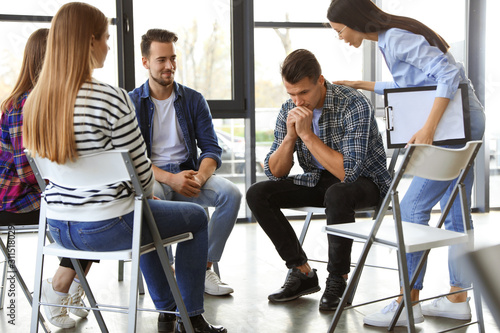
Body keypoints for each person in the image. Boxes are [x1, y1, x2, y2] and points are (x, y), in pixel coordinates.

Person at [22, 3, 226, 333]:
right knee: (193, 217)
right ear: (89, 42)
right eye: (105, 37)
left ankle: (169, 310)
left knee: (146, 215)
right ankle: (190, 318)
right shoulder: (111, 98)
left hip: (58, 227)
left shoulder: (36, 101)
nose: (107, 45)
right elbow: (141, 176)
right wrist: (145, 195)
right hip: (106, 227)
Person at [327, 0, 486, 327]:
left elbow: (447, 74)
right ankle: (458, 297)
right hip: (468, 121)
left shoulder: (396, 37)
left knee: (412, 207)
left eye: (340, 30)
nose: (341, 37)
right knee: (457, 210)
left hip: (455, 126)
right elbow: (411, 86)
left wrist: (427, 128)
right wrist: (359, 84)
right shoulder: (390, 38)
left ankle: (407, 301)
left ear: (355, 21)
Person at [246, 49, 391, 312]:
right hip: (319, 180)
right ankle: (302, 272)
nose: (297, 101)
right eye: (291, 94)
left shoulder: (353, 103)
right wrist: (291, 137)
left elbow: (349, 173)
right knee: (258, 193)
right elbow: (275, 172)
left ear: (320, 81)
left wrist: (308, 136)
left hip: (367, 182)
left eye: (304, 92)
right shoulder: (289, 109)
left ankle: (338, 278)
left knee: (338, 193)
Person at [129, 28, 241, 296]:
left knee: (232, 194)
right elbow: (134, 159)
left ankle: (201, 268)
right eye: (161, 60)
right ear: (145, 62)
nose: (170, 66)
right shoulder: (132, 102)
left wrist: (199, 178)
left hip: (189, 174)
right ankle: (166, 273)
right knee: (150, 199)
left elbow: (212, 149)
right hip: (153, 177)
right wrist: (170, 179)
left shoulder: (193, 99)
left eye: (173, 59)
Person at [0, 28, 92, 329]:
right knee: (90, 213)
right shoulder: (21, 105)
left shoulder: (50, 100)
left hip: (36, 190)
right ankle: (59, 289)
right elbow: (28, 172)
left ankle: (68, 287)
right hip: (14, 198)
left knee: (101, 206)